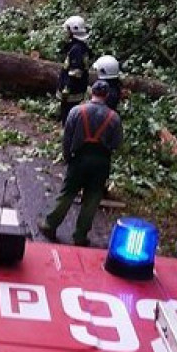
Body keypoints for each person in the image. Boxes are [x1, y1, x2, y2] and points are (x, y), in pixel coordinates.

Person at [38, 80, 123, 247]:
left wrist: (67, 157)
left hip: (79, 158)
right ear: (106, 95)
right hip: (101, 161)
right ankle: (80, 236)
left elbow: (67, 138)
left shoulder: (76, 111)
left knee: (68, 193)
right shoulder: (114, 118)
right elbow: (117, 143)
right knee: (92, 199)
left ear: (91, 92)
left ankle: (50, 225)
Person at [57, 15, 92, 125]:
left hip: (72, 92)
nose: (65, 33)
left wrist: (66, 89)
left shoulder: (76, 49)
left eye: (67, 30)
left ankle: (68, 136)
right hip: (76, 90)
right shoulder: (79, 46)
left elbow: (75, 72)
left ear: (73, 31)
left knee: (68, 116)